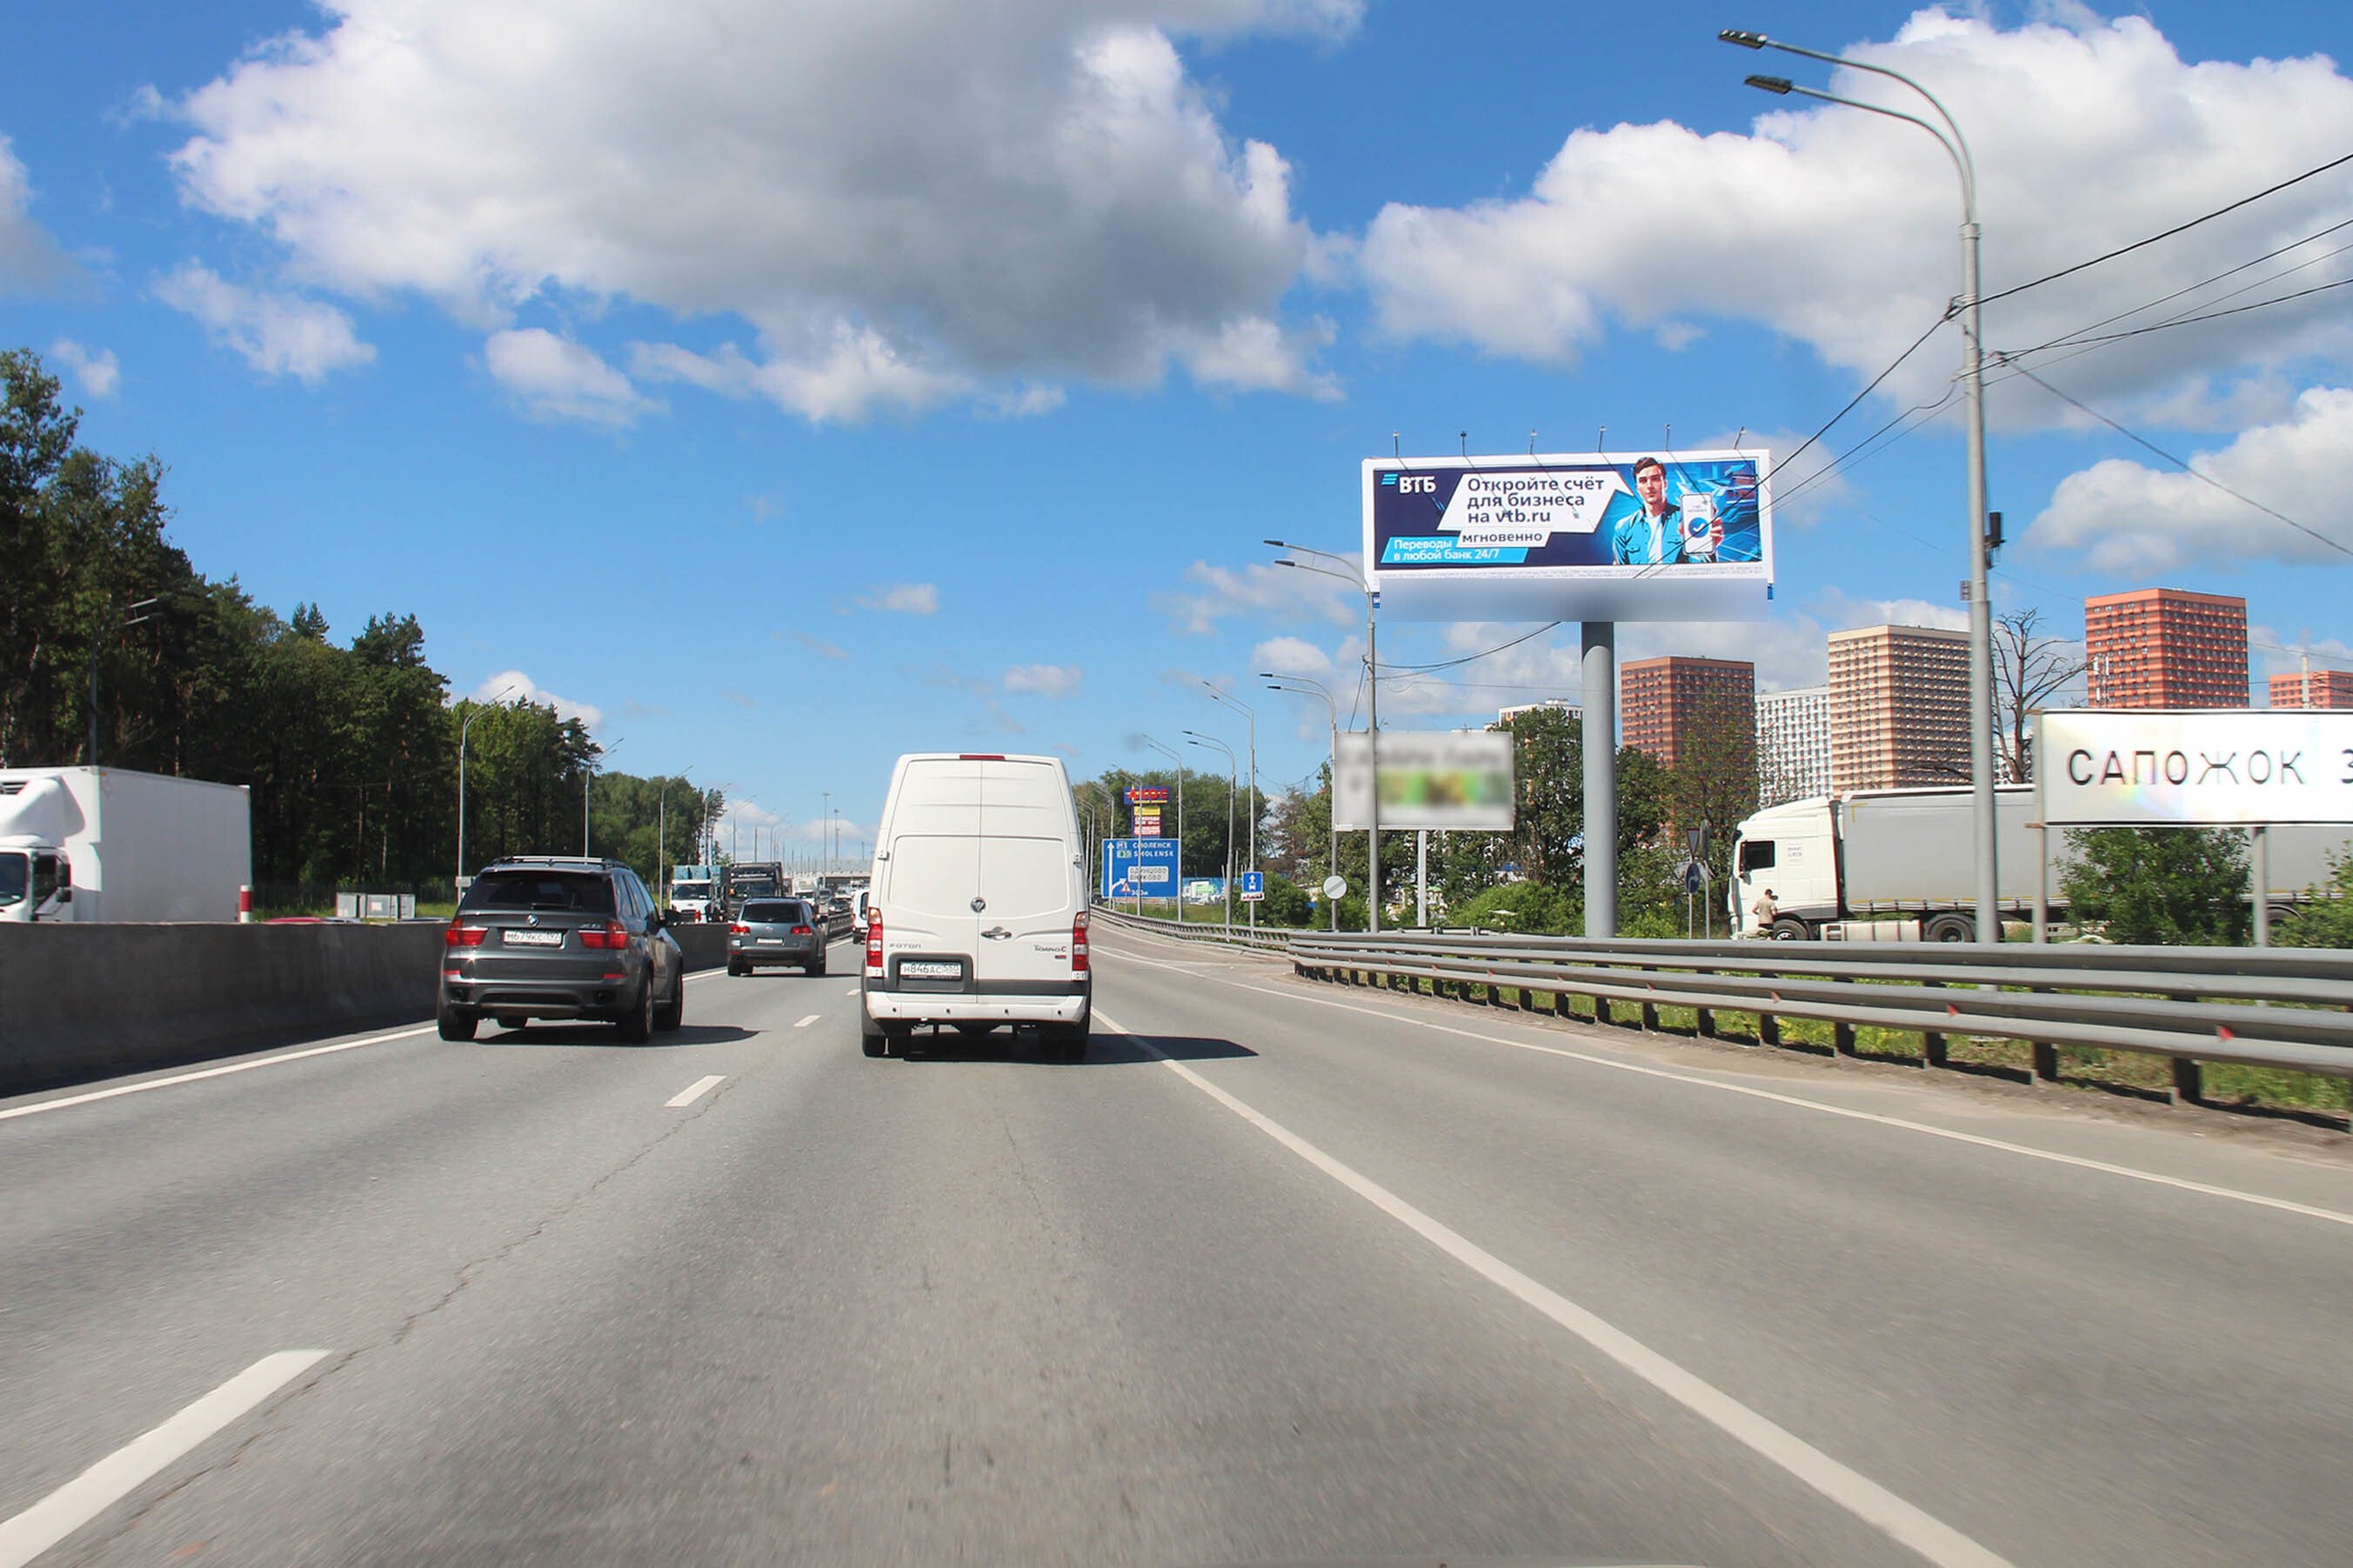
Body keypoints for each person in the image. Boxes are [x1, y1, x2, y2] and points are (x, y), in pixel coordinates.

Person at [1611, 456, 1723, 564]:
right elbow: (1620, 573)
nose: (1649, 486)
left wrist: (1708, 548)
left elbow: (1703, 568)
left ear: (1665, 484)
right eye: (1643, 481)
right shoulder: (1624, 527)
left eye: (1655, 479)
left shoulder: (1686, 518)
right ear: (1637, 488)